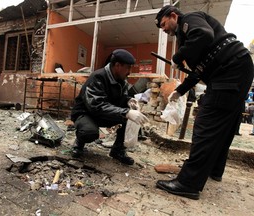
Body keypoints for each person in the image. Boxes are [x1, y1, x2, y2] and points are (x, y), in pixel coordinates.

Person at [154, 5, 254, 200]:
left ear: (173, 15)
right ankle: (214, 169)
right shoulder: (190, 39)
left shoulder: (189, 20)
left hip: (230, 70)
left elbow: (204, 34)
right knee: (224, 125)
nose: (164, 30)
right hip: (236, 69)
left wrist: (177, 56)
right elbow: (199, 70)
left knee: (205, 124)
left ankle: (188, 183)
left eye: (164, 24)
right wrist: (180, 90)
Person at [70, 49, 149, 165]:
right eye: (128, 68)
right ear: (117, 65)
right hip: (86, 113)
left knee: (130, 118)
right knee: (89, 132)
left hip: (102, 113)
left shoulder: (121, 80)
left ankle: (118, 150)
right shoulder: (98, 77)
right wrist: (125, 112)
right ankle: (79, 143)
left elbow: (121, 97)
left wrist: (129, 101)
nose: (129, 72)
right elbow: (96, 105)